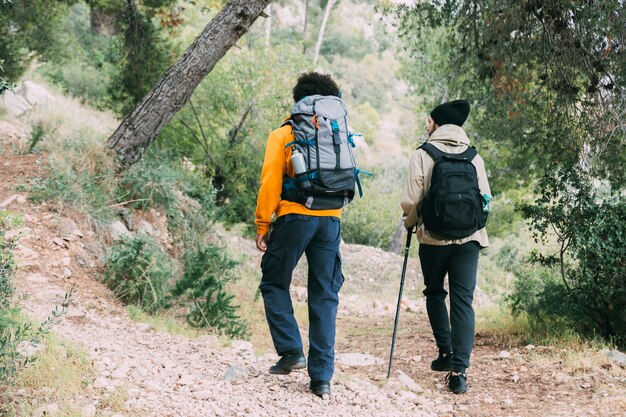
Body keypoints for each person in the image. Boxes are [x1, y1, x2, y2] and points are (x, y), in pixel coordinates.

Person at [255, 72, 346, 399]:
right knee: (324, 295)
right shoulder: (337, 133)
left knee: (273, 281)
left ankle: (292, 350)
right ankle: (321, 378)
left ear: (299, 100)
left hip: (294, 216)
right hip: (331, 219)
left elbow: (270, 182)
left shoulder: (285, 133)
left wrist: (263, 223)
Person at [400, 99, 491, 394]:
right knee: (463, 301)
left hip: (433, 240)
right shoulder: (474, 157)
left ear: (437, 124)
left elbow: (412, 201)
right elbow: (486, 199)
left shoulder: (422, 154)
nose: (427, 126)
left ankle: (445, 352)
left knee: (436, 293)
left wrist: (410, 223)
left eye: (428, 121)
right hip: (470, 241)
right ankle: (459, 373)